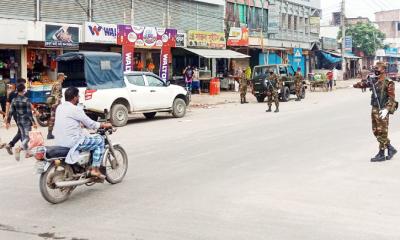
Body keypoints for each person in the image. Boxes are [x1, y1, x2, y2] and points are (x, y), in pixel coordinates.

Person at [53, 87, 112, 178]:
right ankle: (94, 169)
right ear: (74, 97)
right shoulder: (76, 109)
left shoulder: (59, 107)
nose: (79, 98)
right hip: (72, 141)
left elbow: (68, 122)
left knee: (85, 134)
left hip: (59, 141)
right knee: (100, 140)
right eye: (78, 96)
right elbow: (91, 124)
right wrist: (104, 125)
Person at [353, 62, 397, 162]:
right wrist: (354, 85)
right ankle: (390, 148)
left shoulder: (389, 82)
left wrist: (386, 109)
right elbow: (364, 84)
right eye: (375, 68)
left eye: (377, 68)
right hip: (374, 108)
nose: (375, 69)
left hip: (383, 110)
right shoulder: (374, 80)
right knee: (376, 131)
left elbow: (392, 98)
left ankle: (381, 153)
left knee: (382, 132)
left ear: (383, 70)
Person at [5, 83, 37, 161]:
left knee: (23, 136)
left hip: (19, 120)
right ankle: (19, 148)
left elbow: (11, 112)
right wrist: (33, 122)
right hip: (26, 121)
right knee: (28, 137)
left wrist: (8, 121)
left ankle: (27, 153)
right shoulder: (26, 100)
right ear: (23, 90)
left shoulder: (14, 100)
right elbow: (29, 113)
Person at [47, 73, 66, 140]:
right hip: (56, 103)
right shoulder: (58, 83)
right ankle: (59, 133)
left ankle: (50, 134)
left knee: (53, 118)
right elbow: (57, 94)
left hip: (53, 103)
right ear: (60, 77)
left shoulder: (55, 83)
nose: (64, 78)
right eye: (63, 77)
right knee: (57, 118)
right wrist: (57, 103)